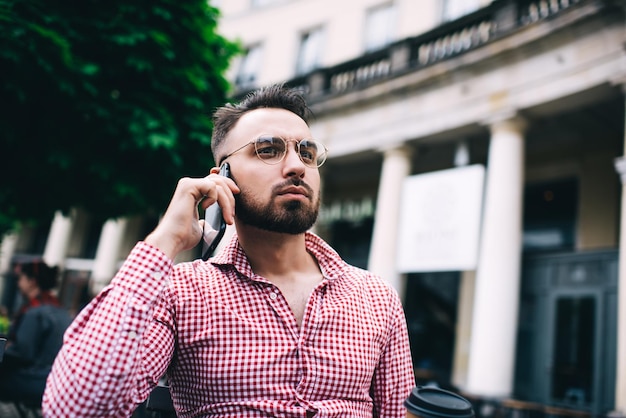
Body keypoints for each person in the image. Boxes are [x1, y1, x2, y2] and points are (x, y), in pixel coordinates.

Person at [43, 84, 416, 417]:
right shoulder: (181, 291)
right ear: (222, 177)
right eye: (268, 150)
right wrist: (164, 241)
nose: (295, 167)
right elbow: (77, 407)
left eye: (306, 152)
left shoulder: (376, 296)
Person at [0, 260, 72, 405]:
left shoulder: (35, 313)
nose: (18, 283)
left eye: (21, 278)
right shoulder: (61, 311)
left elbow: (22, 354)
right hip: (55, 381)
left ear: (32, 281)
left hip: (33, 380)